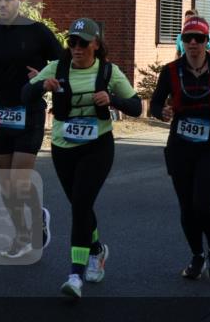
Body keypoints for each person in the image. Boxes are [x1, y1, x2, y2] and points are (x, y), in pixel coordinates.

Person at [23, 18, 141, 298]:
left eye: (83, 43)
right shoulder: (57, 68)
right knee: (80, 204)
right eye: (72, 42)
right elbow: (24, 93)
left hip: (97, 146)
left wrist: (112, 99)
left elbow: (136, 106)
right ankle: (97, 250)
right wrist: (42, 86)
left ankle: (75, 275)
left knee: (81, 205)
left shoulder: (109, 72)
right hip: (64, 146)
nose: (76, 48)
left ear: (96, 45)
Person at [149, 16, 210, 280]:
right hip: (180, 144)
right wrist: (162, 112)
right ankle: (196, 256)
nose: (193, 43)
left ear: (206, 41)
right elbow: (155, 104)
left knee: (203, 205)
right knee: (186, 208)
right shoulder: (170, 71)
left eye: (199, 39)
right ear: (183, 41)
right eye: (188, 38)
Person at [0, 0, 62, 258]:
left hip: (30, 111)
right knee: (7, 187)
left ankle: (37, 222)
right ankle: (22, 234)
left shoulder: (37, 31)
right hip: (0, 113)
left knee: (20, 181)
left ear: (20, 0)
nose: (2, 3)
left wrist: (46, 75)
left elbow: (65, 63)